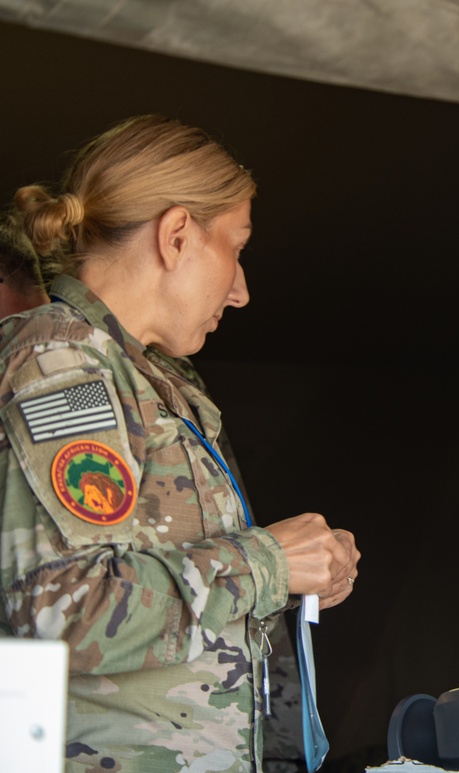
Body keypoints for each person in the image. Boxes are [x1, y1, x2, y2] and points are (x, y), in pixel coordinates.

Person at [0, 115, 361, 773]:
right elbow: (66, 608)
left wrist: (293, 572)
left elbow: (176, 584)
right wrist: (266, 562)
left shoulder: (157, 377)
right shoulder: (64, 366)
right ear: (175, 236)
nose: (242, 289)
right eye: (238, 247)